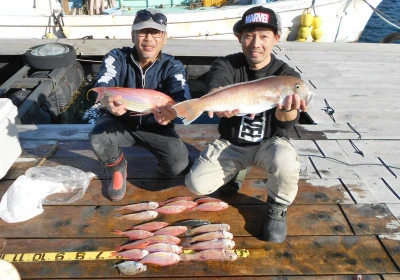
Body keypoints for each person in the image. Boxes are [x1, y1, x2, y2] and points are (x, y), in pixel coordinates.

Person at [185, 6, 308, 243]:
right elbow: (217, 82)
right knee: (196, 183)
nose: (256, 43)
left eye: (264, 36)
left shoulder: (286, 74)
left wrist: (288, 110)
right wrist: (215, 99)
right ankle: (237, 169)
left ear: (276, 39)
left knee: (285, 161)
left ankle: (277, 208)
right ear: (239, 37)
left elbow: (285, 128)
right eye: (249, 35)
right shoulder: (227, 64)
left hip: (268, 144)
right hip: (233, 143)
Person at [89, 8, 191, 202]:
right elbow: (103, 82)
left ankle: (163, 164)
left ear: (165, 37)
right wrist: (107, 102)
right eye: (143, 32)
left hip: (157, 127)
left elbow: (181, 94)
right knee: (97, 137)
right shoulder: (117, 57)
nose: (149, 39)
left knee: (177, 166)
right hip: (120, 123)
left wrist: (173, 112)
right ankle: (117, 167)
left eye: (156, 33)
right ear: (133, 35)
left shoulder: (173, 66)